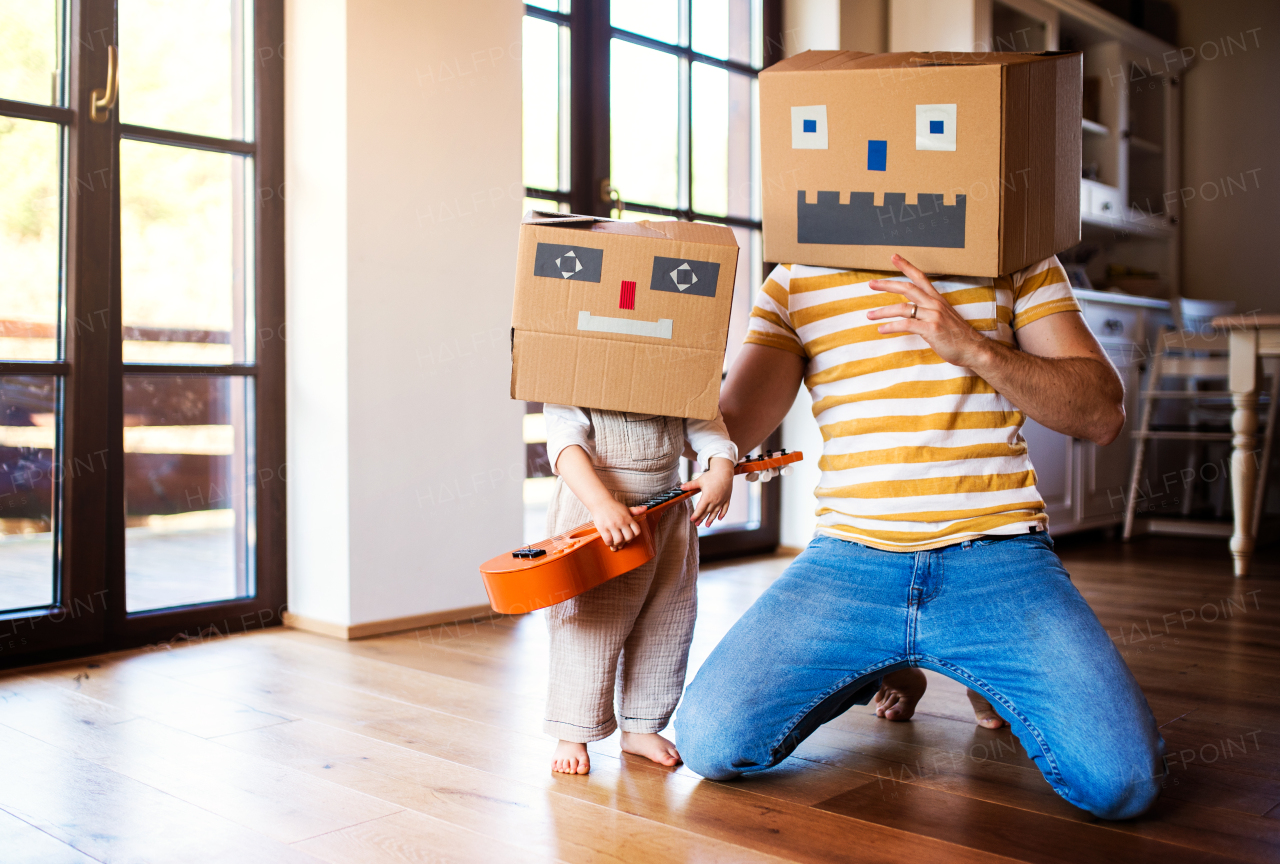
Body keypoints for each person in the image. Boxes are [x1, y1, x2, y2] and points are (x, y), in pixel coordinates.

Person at [674, 254, 1165, 819]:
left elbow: (1102, 415)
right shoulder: (795, 277)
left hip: (998, 557)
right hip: (850, 561)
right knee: (710, 745)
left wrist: (973, 347)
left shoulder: (1016, 256)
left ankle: (978, 669)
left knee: (1124, 785)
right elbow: (730, 430)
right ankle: (890, 660)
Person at [541, 404, 737, 774]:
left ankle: (641, 725)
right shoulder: (575, 365)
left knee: (666, 620)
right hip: (598, 513)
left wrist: (720, 468)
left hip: (666, 506)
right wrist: (601, 503)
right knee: (591, 622)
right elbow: (566, 442)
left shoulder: (676, 370)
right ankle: (573, 729)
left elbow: (705, 421)